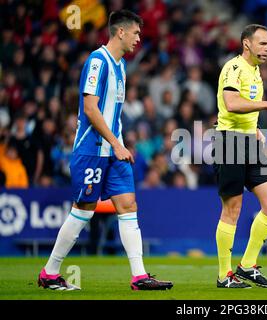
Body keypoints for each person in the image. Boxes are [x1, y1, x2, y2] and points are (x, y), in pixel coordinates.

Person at [38, 10, 173, 291]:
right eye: (136, 33)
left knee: (128, 206)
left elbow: (113, 114)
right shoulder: (97, 62)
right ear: (120, 32)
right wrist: (115, 143)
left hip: (114, 151)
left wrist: (119, 144)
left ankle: (139, 276)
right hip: (92, 150)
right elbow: (90, 108)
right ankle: (49, 273)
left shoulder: (121, 66)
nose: (139, 39)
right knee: (84, 210)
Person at [213, 24, 267, 289]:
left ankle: (247, 265)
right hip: (230, 142)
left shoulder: (256, 71)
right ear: (247, 44)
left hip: (249, 142)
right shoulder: (233, 68)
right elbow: (231, 104)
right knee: (232, 209)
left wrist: (255, 128)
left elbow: (243, 108)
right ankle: (224, 275)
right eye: (262, 43)